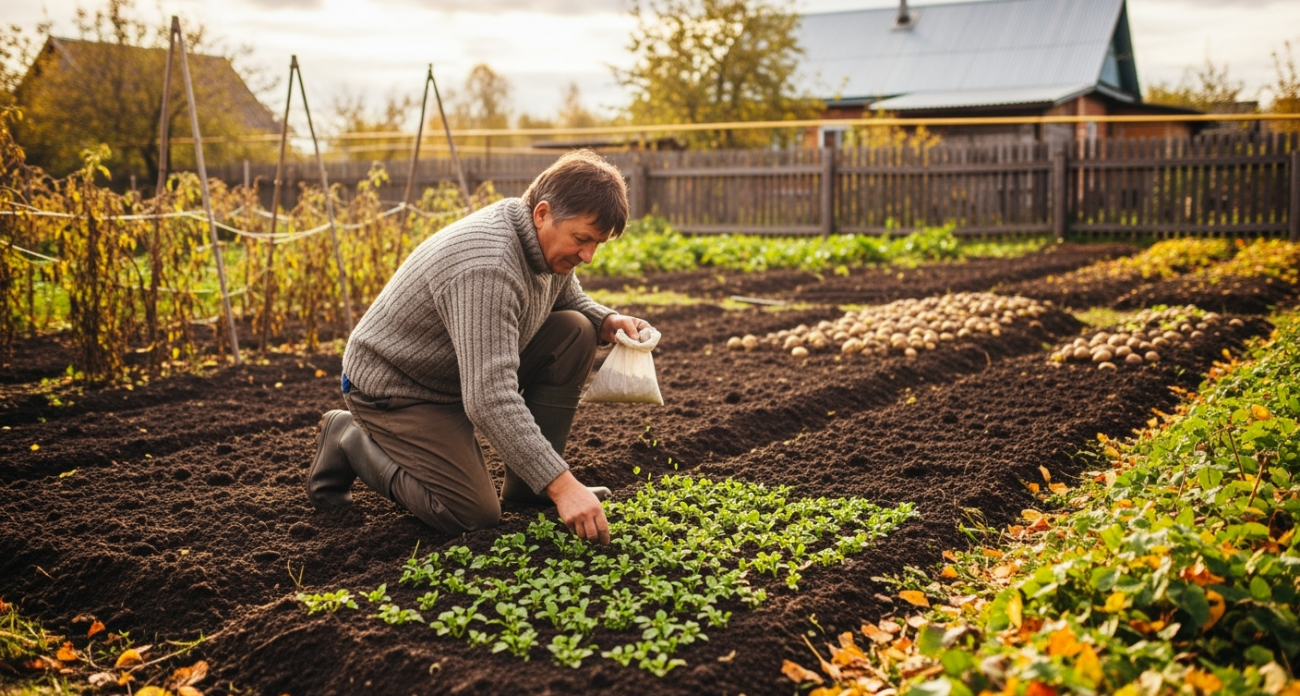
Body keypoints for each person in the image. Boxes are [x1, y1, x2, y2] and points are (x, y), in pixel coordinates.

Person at [307, 150, 650, 544]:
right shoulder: (489, 265)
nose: (587, 256)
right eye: (582, 240)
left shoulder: (537, 240)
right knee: (472, 514)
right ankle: (349, 438)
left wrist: (606, 320)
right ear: (542, 213)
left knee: (575, 330)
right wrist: (565, 486)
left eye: (597, 244)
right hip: (398, 387)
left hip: (453, 371)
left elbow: (564, 295)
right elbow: (488, 398)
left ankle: (531, 486)